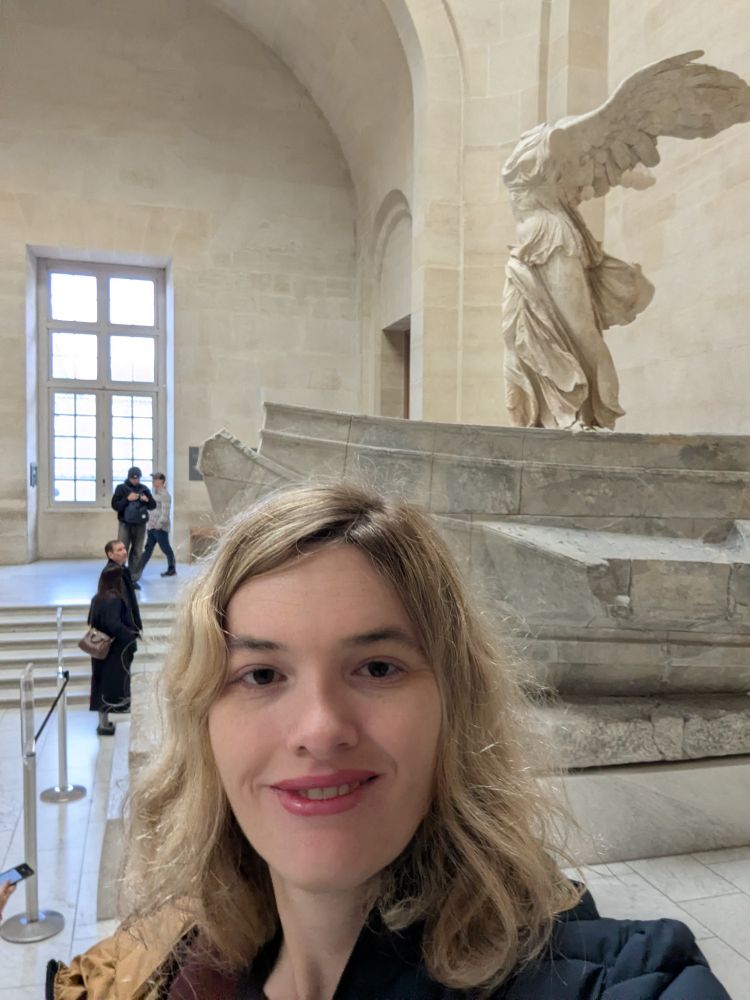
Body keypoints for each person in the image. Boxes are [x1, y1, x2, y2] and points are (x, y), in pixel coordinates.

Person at [48, 484, 730, 999]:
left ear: (451, 706)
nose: (319, 728)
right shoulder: (169, 966)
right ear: (204, 722)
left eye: (377, 668)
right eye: (260, 674)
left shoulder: (628, 980)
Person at [88, 562, 139, 736]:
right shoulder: (114, 599)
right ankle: (105, 725)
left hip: (98, 648)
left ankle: (103, 723)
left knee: (99, 685)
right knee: (110, 687)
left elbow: (92, 621)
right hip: (113, 650)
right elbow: (114, 624)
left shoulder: (97, 598)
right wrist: (130, 635)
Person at [111, 466, 156, 586]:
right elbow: (115, 506)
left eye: (137, 478)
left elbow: (153, 505)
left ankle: (133, 579)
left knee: (137, 551)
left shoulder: (144, 489)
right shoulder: (121, 488)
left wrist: (147, 500)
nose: (135, 480)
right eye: (133, 478)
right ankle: (118, 577)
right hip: (125, 524)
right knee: (121, 550)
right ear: (128, 477)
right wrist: (127, 499)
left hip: (140, 525)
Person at [138, 472, 176, 578]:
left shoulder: (165, 495)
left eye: (156, 479)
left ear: (162, 481)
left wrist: (159, 525)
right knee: (147, 550)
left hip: (160, 528)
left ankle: (171, 569)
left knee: (166, 549)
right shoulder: (153, 494)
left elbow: (165, 513)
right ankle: (137, 571)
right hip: (151, 527)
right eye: (153, 479)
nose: (153, 481)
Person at [103, 539, 143, 635]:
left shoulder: (123, 570)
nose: (125, 552)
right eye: (119, 550)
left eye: (124, 548)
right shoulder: (111, 573)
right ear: (110, 554)